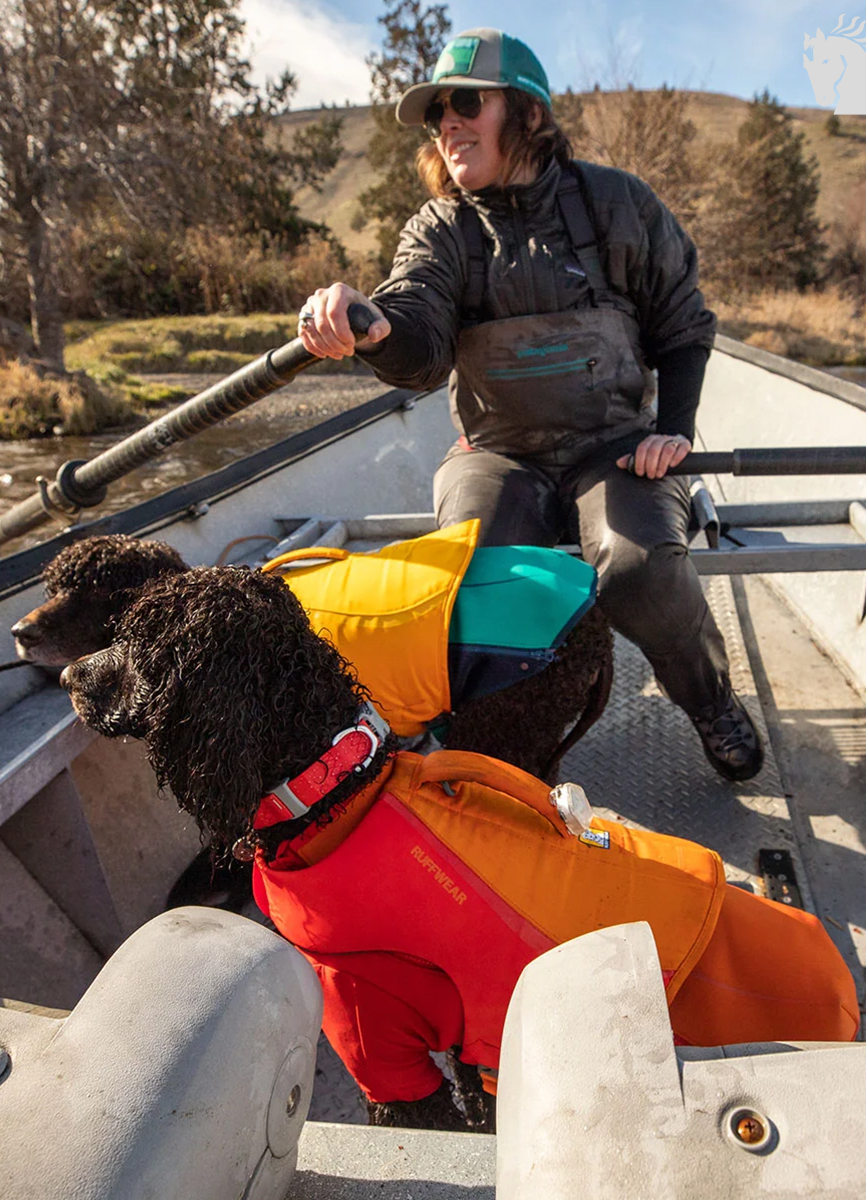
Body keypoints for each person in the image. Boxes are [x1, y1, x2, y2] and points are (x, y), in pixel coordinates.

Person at [299, 28, 763, 782]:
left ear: (527, 113)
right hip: (497, 452)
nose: (446, 121)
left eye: (464, 103)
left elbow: (684, 327)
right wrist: (377, 327)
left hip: (613, 447)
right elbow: (417, 337)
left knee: (638, 570)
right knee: (475, 575)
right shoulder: (440, 229)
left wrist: (674, 433)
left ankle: (710, 701)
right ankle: (504, 752)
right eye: (436, 112)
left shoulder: (618, 204)